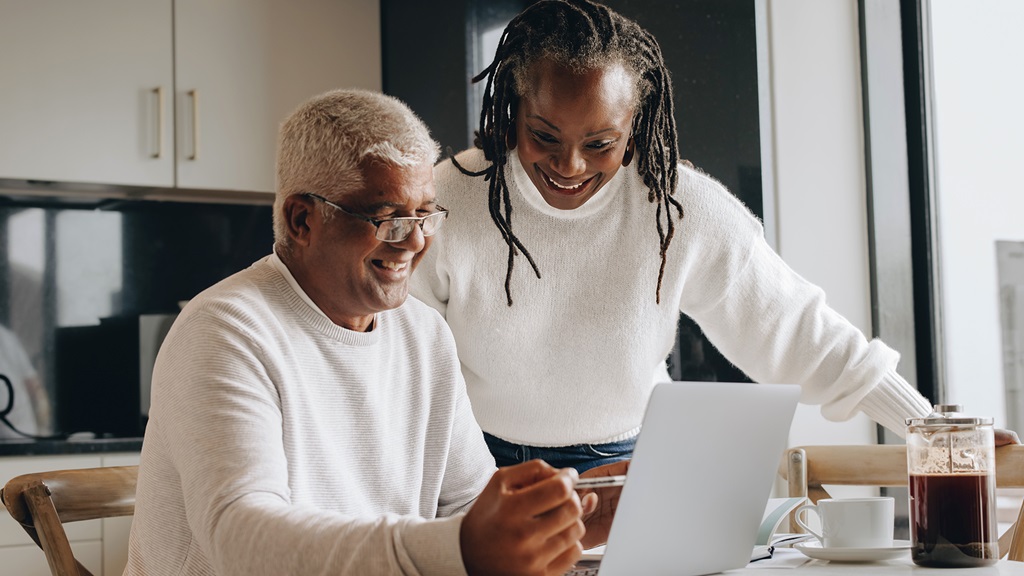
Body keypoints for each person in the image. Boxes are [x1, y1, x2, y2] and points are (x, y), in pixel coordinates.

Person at [409, 0, 1017, 474]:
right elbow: (400, 363)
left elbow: (796, 331)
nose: (569, 166)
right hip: (479, 465)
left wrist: (929, 426)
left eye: (599, 144)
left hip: (633, 462)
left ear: (635, 126)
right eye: (545, 135)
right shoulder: (448, 201)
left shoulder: (676, 206)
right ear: (512, 108)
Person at [125, 89, 603, 576]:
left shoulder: (424, 335)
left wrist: (590, 510)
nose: (416, 240)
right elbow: (242, 540)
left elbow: (469, 509)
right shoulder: (226, 330)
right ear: (303, 219)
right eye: (387, 217)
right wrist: (459, 547)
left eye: (424, 214)